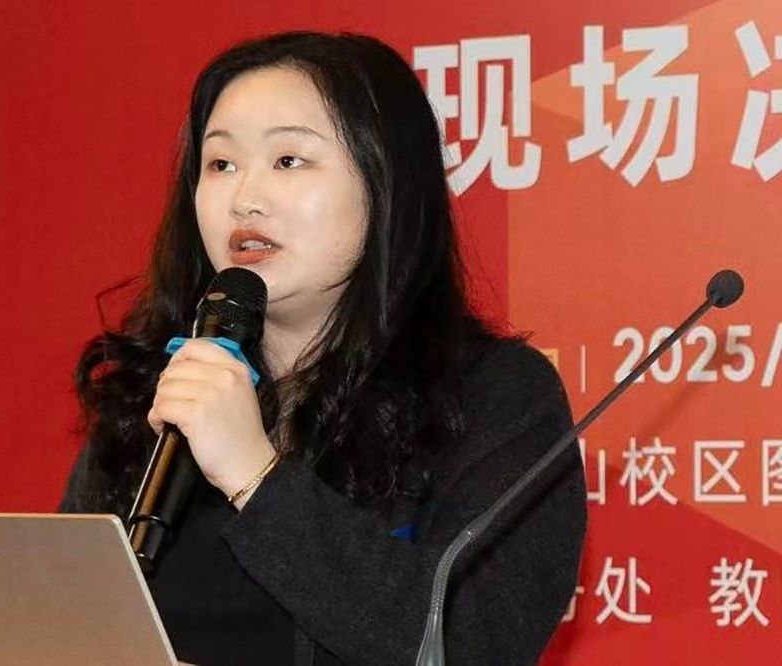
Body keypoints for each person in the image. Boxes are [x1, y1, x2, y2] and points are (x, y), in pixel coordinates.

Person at [59, 31, 586, 666]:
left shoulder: (493, 397)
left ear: (386, 184)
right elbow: (60, 627)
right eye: (220, 164)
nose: (244, 198)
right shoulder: (160, 390)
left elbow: (472, 643)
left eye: (289, 160)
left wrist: (256, 476)